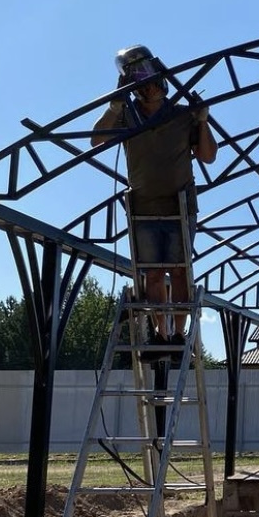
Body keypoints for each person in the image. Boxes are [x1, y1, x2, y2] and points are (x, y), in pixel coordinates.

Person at [90, 46, 217, 350]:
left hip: (179, 206)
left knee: (180, 270)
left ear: (161, 77)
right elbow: (96, 140)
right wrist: (115, 107)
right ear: (129, 84)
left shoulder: (181, 115)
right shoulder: (128, 116)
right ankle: (162, 333)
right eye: (138, 79)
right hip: (144, 206)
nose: (148, 85)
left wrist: (202, 121)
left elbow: (207, 155)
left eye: (149, 75)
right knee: (154, 273)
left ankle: (178, 333)